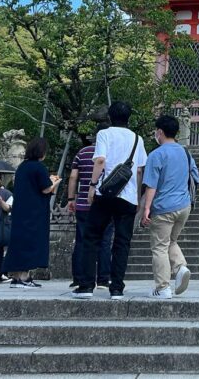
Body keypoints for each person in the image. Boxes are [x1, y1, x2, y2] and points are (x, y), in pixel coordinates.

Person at [73, 101, 147, 300]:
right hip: (128, 195)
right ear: (128, 118)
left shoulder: (104, 134)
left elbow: (100, 160)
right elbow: (139, 169)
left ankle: (87, 285)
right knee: (122, 242)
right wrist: (137, 195)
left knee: (92, 237)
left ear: (110, 117)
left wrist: (92, 185)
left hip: (105, 194)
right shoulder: (137, 139)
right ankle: (117, 288)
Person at [141, 114, 199, 299]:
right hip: (184, 206)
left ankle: (163, 287)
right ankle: (180, 268)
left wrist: (146, 209)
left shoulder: (156, 155)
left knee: (159, 247)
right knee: (170, 242)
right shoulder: (185, 153)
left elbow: (151, 184)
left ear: (160, 132)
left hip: (163, 207)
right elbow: (195, 177)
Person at [3, 139, 61, 288]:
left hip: (20, 209)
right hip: (34, 211)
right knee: (30, 242)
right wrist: (55, 181)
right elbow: (46, 189)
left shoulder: (23, 166)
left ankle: (17, 277)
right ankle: (23, 276)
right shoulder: (38, 167)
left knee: (18, 242)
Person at [67, 126, 113, 289]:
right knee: (104, 241)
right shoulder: (109, 152)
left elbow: (73, 176)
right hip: (104, 202)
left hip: (82, 204)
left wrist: (71, 198)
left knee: (81, 240)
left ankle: (79, 277)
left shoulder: (82, 153)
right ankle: (103, 278)